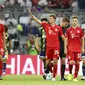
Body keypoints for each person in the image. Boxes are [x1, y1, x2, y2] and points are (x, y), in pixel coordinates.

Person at [28, 8, 65, 81]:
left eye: (50, 18)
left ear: (54, 19)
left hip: (56, 47)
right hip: (48, 47)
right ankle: (49, 73)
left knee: (55, 61)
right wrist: (32, 16)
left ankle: (54, 77)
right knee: (47, 63)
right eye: (49, 18)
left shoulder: (58, 28)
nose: (49, 20)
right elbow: (38, 21)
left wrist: (67, 44)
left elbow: (63, 37)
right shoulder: (46, 25)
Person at [65, 16, 84, 82]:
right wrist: (65, 48)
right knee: (71, 62)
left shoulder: (80, 30)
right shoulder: (68, 30)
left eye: (75, 20)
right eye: (73, 20)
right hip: (70, 48)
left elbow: (82, 39)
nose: (74, 22)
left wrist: (83, 47)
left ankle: (75, 77)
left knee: (77, 62)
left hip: (78, 48)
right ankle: (70, 73)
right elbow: (66, 39)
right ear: (71, 21)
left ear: (77, 21)